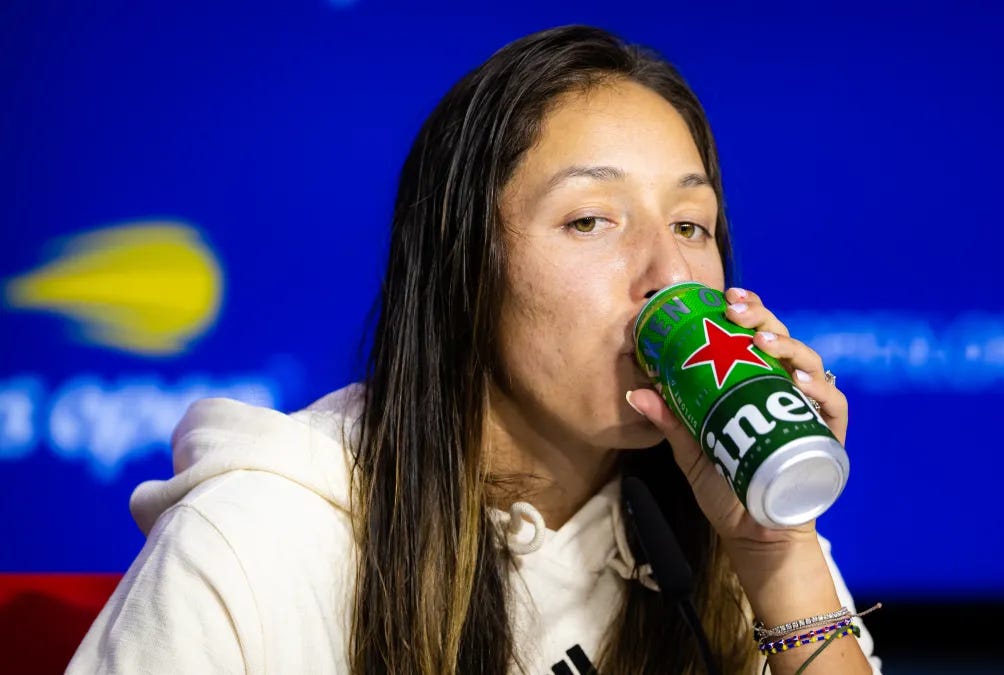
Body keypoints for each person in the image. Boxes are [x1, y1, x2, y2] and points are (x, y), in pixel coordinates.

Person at [67, 25, 882, 675]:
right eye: (590, 220)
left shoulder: (728, 532)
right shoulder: (254, 539)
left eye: (691, 225)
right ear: (464, 266)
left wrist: (778, 556)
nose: (669, 274)